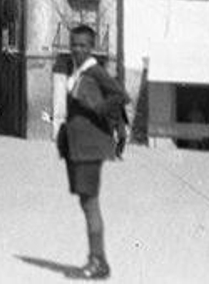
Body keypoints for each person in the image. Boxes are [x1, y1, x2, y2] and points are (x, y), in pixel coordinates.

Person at [56, 24, 127, 281]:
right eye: (74, 44)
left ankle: (97, 261)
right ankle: (99, 260)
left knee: (90, 204)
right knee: (87, 203)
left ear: (92, 47)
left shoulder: (94, 70)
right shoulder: (78, 71)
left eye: (83, 45)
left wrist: (97, 107)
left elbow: (121, 95)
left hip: (88, 148)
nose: (77, 49)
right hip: (77, 146)